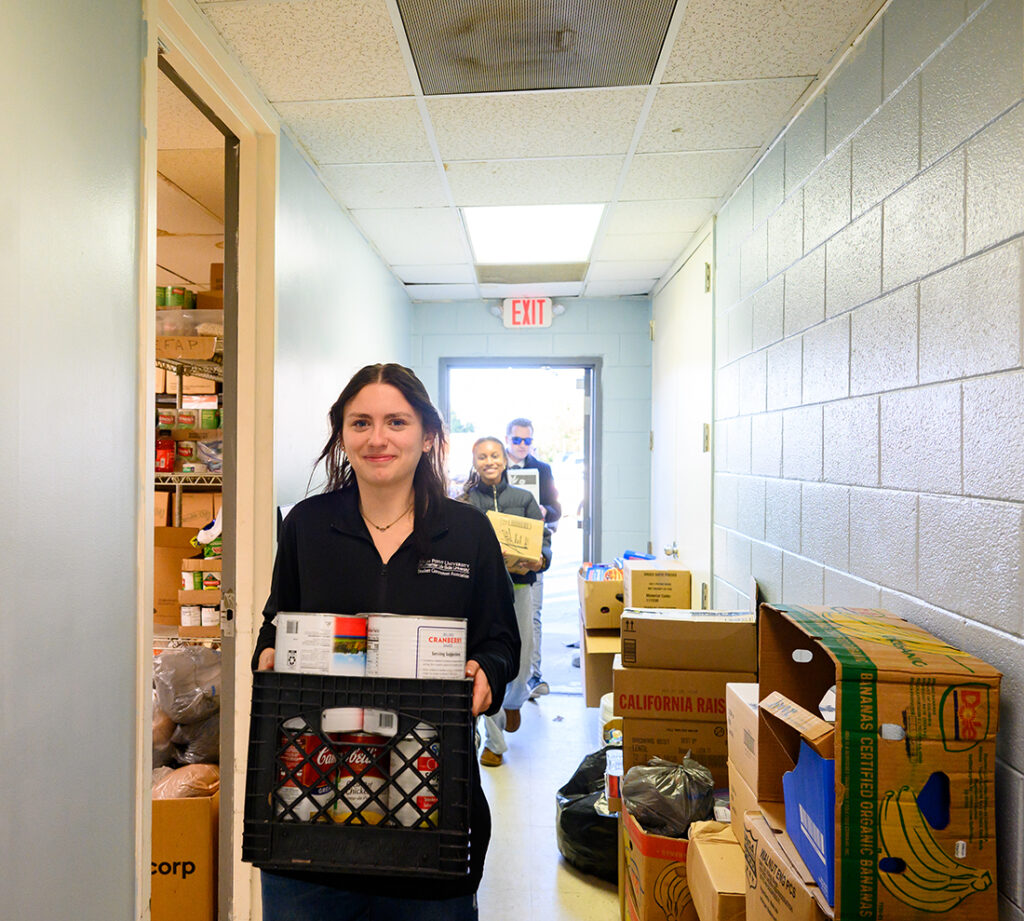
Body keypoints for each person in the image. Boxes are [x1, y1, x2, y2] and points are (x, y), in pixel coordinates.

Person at [252, 363, 520, 921]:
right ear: (342, 434)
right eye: (361, 423)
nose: (378, 438)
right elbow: (276, 622)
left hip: (430, 805)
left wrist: (487, 673)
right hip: (310, 812)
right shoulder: (306, 525)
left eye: (396, 422)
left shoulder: (467, 532)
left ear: (428, 435)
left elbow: (499, 639)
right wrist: (270, 654)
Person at [460, 436, 551, 767]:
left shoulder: (524, 499)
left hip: (520, 587)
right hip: (482, 593)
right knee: (488, 663)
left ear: (504, 459)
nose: (490, 461)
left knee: (522, 664)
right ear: (475, 462)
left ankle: (513, 701)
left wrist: (540, 559)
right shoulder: (466, 502)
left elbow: (543, 542)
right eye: (482, 457)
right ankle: (494, 743)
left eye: (495, 455)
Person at [505, 417, 561, 697]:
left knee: (532, 615)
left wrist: (545, 511)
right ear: (507, 439)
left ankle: (533, 676)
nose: (522, 445)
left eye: (527, 440)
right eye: (517, 439)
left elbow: (556, 509)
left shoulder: (542, 469)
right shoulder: (496, 467)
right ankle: (505, 675)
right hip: (502, 551)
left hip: (532, 550)